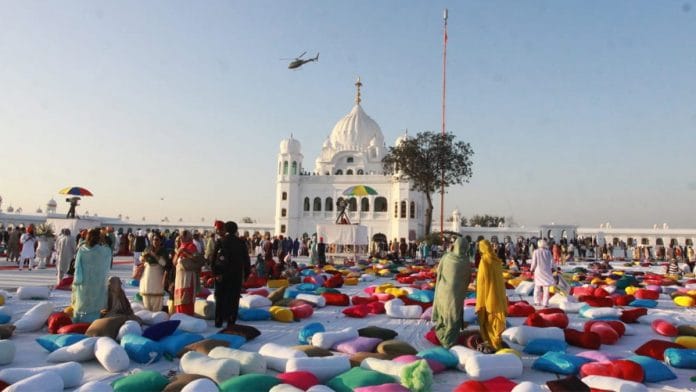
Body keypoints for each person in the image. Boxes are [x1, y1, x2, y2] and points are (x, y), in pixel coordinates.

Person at [431, 237, 471, 348]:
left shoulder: (446, 257)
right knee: (453, 315)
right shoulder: (466, 261)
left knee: (443, 313)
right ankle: (449, 340)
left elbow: (439, 272)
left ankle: (442, 335)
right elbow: (468, 279)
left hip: (443, 291)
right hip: (456, 294)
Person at [212, 221, 250, 328]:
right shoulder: (241, 242)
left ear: (225, 229)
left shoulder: (220, 241)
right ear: (236, 230)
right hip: (236, 276)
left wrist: (215, 273)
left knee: (220, 298)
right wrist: (246, 276)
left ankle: (218, 321)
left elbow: (213, 259)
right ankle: (231, 321)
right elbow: (246, 261)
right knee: (233, 299)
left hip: (221, 275)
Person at [71, 228, 111, 322]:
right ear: (98, 238)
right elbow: (108, 253)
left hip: (83, 279)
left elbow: (77, 265)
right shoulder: (102, 251)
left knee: (82, 301)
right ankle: (91, 320)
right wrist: (104, 241)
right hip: (97, 280)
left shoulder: (82, 249)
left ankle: (79, 319)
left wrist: (77, 279)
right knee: (94, 302)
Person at [475, 239, 507, 352]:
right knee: (495, 322)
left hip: (487, 296)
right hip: (498, 296)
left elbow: (482, 281)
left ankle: (492, 344)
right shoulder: (497, 261)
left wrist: (480, 299)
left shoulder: (484, 261)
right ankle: (497, 342)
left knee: (487, 322)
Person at [139, 234, 170, 312]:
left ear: (161, 241)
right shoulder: (148, 248)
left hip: (158, 273)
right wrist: (143, 258)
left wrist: (154, 254)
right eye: (154, 240)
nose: (155, 241)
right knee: (146, 294)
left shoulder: (163, 251)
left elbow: (164, 263)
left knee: (157, 295)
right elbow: (141, 258)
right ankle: (147, 314)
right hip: (147, 273)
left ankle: (157, 314)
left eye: (157, 240)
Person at [173, 230, 199, 315]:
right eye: (181, 235)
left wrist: (184, 252)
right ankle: (180, 316)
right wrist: (178, 253)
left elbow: (196, 260)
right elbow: (174, 262)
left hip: (188, 276)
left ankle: (187, 317)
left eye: (184, 235)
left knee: (186, 297)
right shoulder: (180, 247)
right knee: (179, 297)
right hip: (179, 276)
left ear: (189, 236)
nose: (181, 237)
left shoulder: (192, 246)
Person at [530, 239, 554, 307]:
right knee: (546, 288)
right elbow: (552, 261)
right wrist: (554, 268)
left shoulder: (536, 252)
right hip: (547, 271)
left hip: (538, 271)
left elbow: (534, 262)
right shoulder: (548, 252)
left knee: (537, 287)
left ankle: (537, 301)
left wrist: (531, 269)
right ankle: (545, 303)